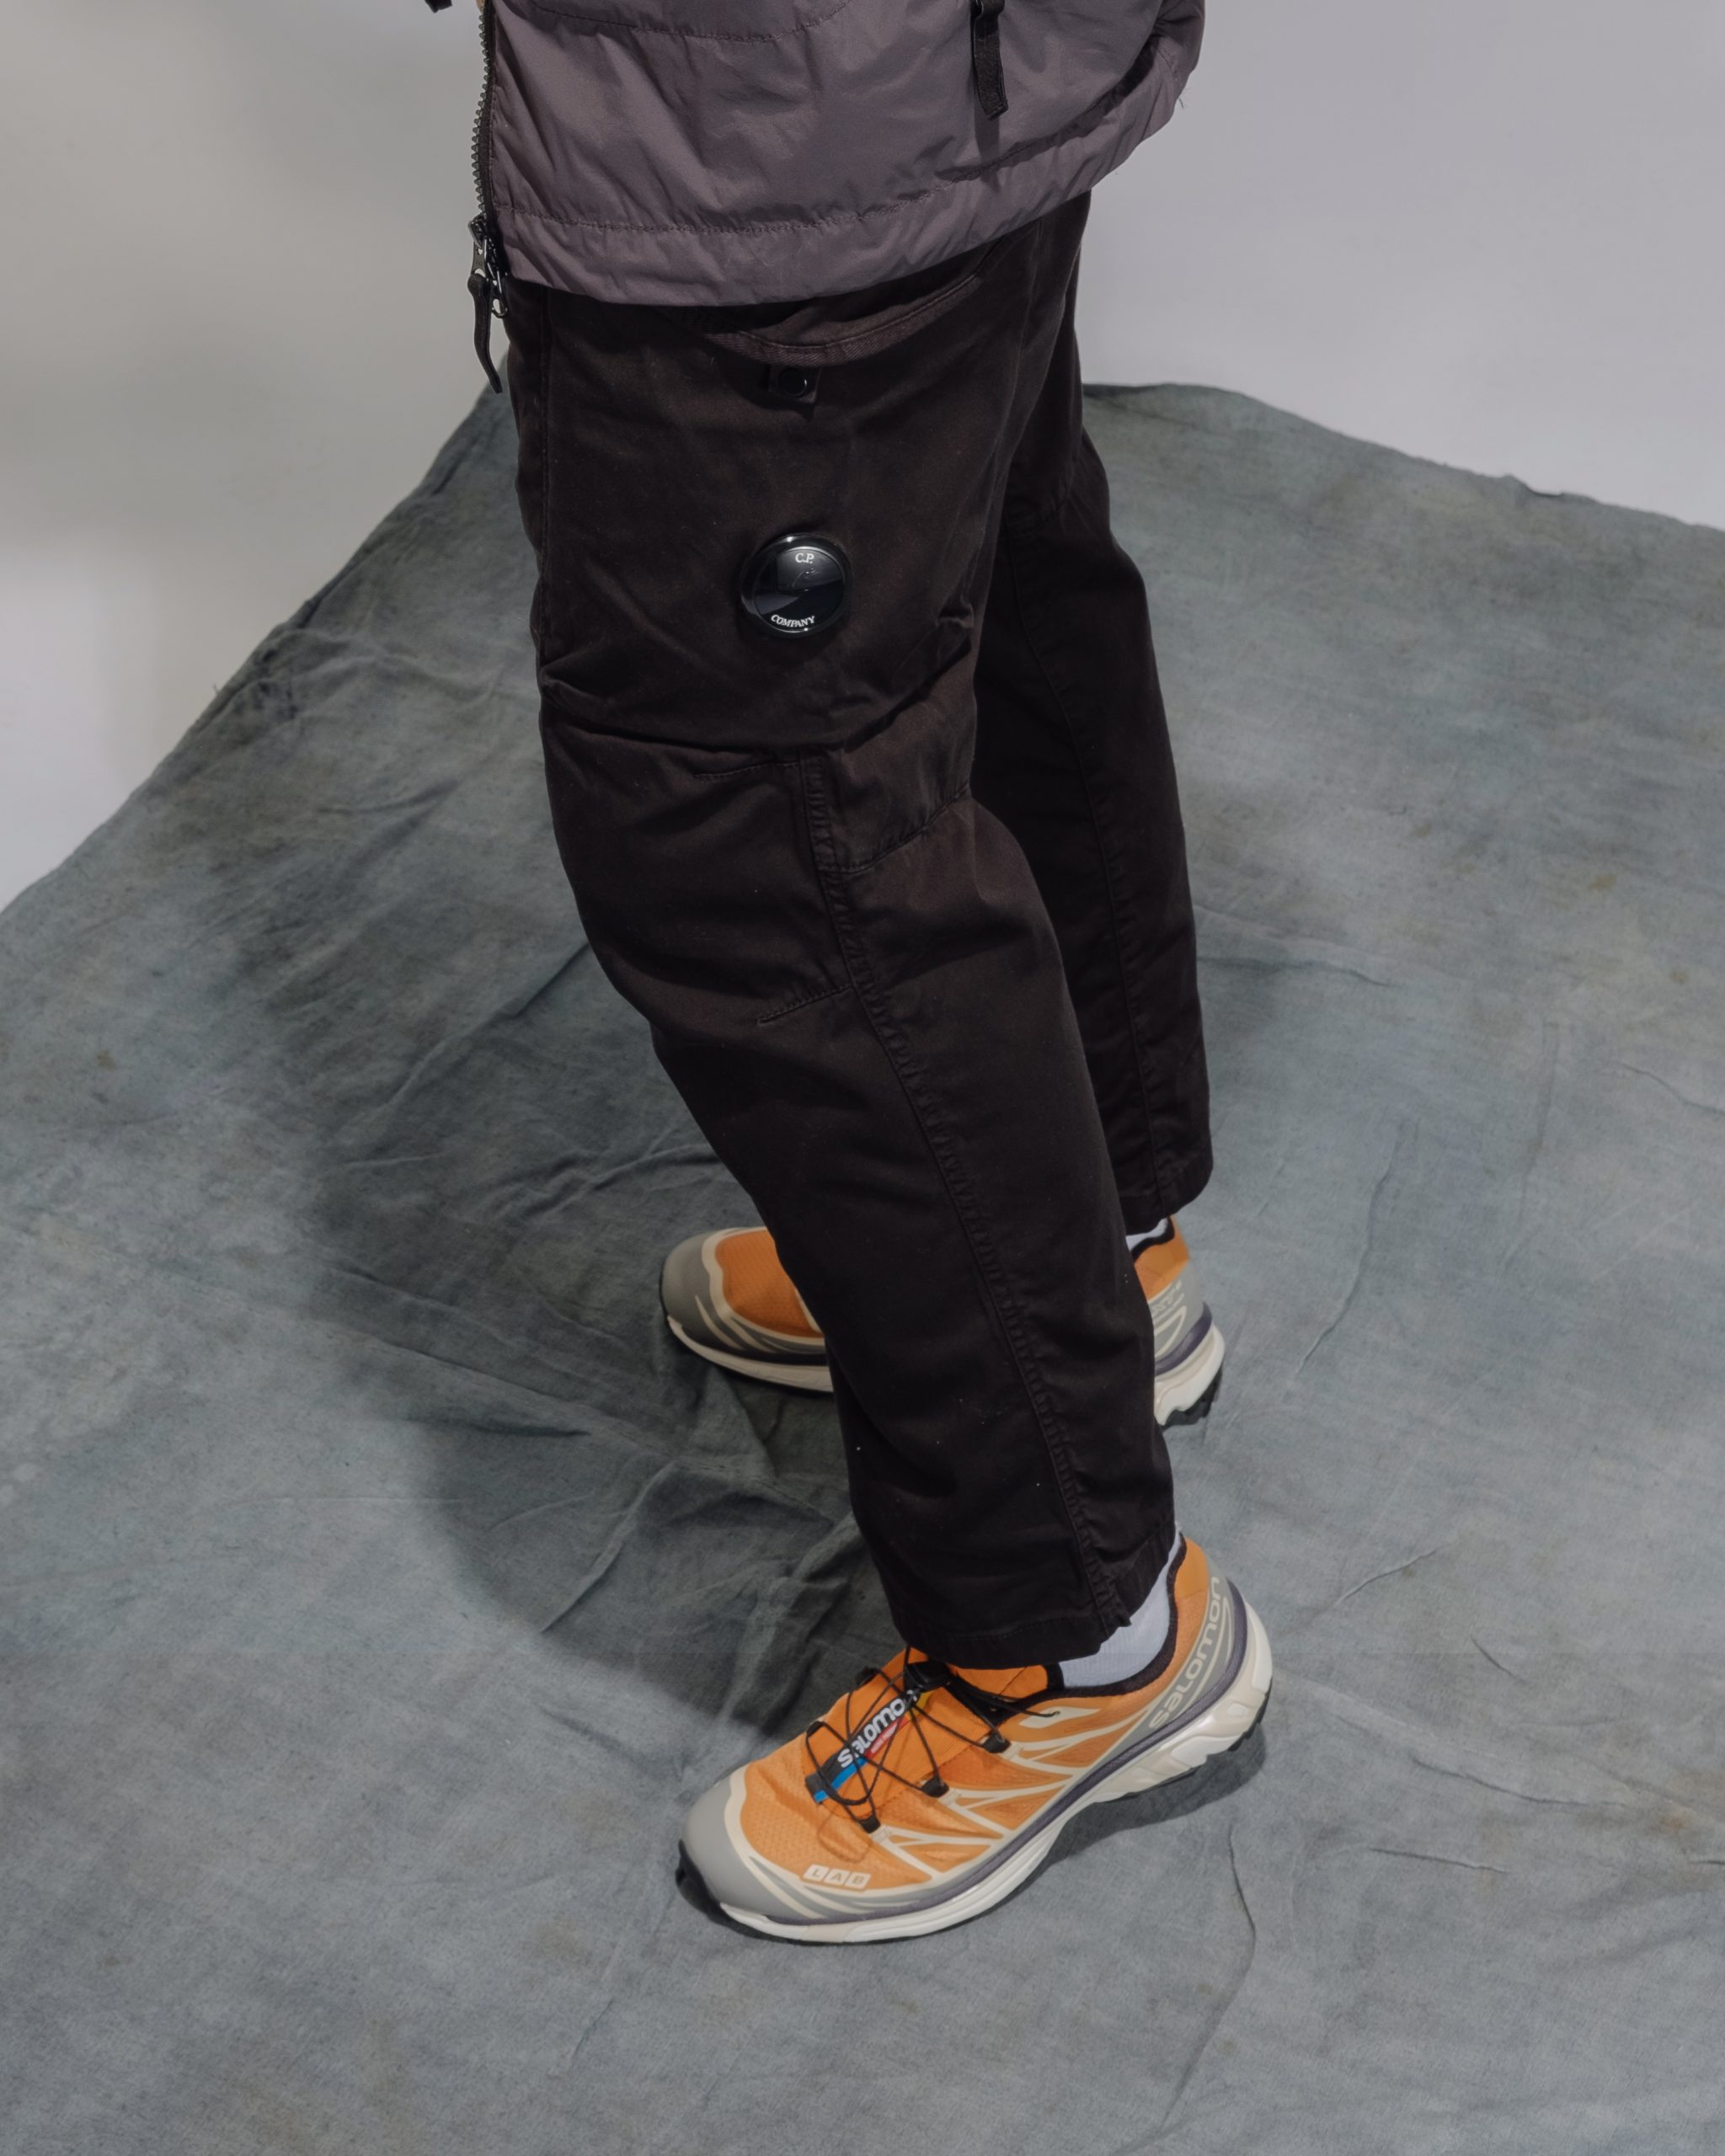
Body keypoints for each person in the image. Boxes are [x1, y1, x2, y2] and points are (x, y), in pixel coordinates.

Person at [430, 0, 1270, 1943]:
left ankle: (1071, 1633)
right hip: (924, 95)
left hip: (761, 130)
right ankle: (1101, 1267)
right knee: (978, 607)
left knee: (772, 846)